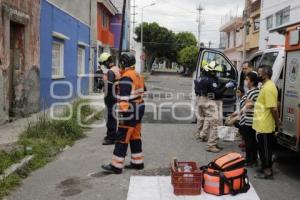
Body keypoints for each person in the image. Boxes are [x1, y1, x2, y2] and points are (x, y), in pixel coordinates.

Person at [102, 52, 146, 174]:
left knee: (122, 136)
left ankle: (116, 166)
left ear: (123, 63)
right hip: (139, 106)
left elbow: (124, 99)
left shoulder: (126, 77)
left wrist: (121, 114)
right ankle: (138, 162)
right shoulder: (138, 75)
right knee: (135, 135)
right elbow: (143, 91)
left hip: (130, 109)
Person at [194, 61, 236, 153]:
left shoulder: (204, 78)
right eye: (216, 71)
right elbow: (217, 93)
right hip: (212, 103)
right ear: (212, 71)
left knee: (215, 123)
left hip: (207, 101)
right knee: (215, 125)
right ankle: (211, 145)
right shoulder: (210, 80)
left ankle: (213, 142)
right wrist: (226, 86)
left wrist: (222, 84)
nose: (218, 73)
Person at [253, 65, 281, 179]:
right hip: (261, 124)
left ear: (266, 74)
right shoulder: (264, 86)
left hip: (265, 125)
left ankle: (268, 171)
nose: (258, 75)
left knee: (265, 150)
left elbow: (273, 109)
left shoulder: (269, 87)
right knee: (262, 149)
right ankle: (264, 166)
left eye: (259, 73)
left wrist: (278, 123)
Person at [99, 53, 121, 145]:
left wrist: (102, 84)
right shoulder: (116, 69)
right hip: (115, 96)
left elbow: (110, 85)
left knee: (110, 117)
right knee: (112, 117)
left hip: (111, 97)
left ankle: (111, 138)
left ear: (107, 62)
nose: (102, 66)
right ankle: (111, 135)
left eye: (103, 64)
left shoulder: (111, 72)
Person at [239, 72, 260, 167]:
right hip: (248, 119)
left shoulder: (253, 92)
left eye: (247, 79)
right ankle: (253, 159)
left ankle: (249, 160)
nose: (245, 81)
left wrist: (240, 111)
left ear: (252, 82)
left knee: (249, 142)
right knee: (251, 141)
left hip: (249, 121)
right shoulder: (251, 91)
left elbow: (247, 105)